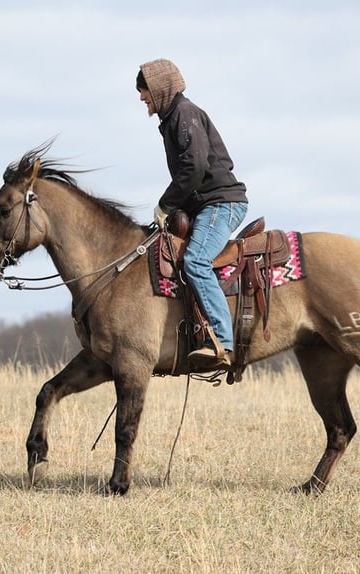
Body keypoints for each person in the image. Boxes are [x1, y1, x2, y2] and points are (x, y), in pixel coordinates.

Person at [136, 58, 248, 371]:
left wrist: (166, 204)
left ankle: (223, 344)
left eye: (144, 90)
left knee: (196, 261)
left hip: (220, 203)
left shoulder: (184, 114)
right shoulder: (173, 118)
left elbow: (195, 167)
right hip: (205, 205)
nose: (141, 97)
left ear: (159, 88)